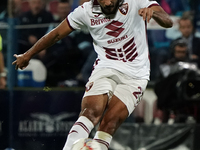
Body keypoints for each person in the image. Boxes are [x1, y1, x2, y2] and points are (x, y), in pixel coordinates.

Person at [12, 0, 173, 149]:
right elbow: (56, 34)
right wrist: (28, 55)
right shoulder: (85, 11)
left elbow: (168, 21)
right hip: (106, 67)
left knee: (110, 122)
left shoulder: (136, 2)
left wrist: (154, 14)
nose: (108, 2)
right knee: (90, 112)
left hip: (137, 74)